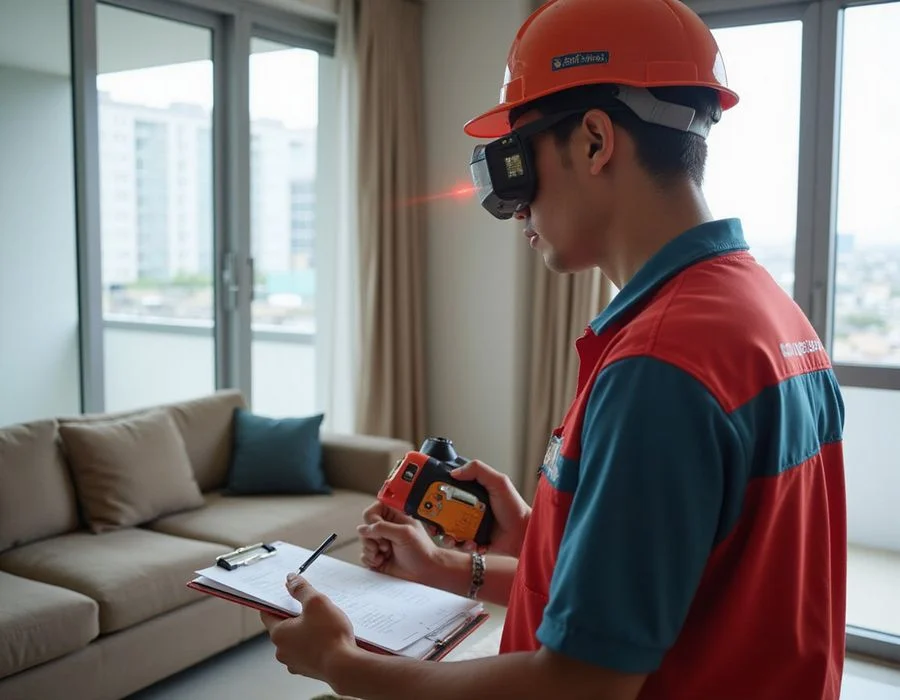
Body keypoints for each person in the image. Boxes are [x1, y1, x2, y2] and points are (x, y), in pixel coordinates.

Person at [261, 0, 848, 698]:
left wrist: (345, 665)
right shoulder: (769, 315)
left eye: (515, 162)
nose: (513, 208)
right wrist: (491, 551)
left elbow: (579, 686)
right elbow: (684, 582)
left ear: (596, 140)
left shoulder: (660, 364)